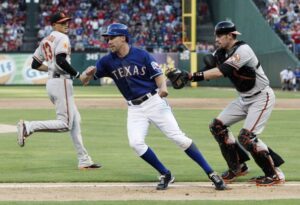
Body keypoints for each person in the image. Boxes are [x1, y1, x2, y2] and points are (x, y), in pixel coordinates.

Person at [81, 23, 226, 190]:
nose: (108, 41)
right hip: (134, 108)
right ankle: (165, 173)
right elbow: (84, 81)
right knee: (135, 143)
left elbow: (158, 75)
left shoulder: (141, 55)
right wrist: (87, 74)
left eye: (111, 37)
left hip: (154, 102)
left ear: (123, 38)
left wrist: (163, 89)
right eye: (107, 38)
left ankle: (211, 173)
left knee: (179, 138)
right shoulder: (106, 61)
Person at [167, 21, 285, 186]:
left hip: (261, 97)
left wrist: (191, 76)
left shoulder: (243, 50)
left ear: (230, 35)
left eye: (219, 36)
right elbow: (210, 69)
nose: (216, 39)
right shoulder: (221, 52)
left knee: (247, 137)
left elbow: (221, 71)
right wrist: (189, 76)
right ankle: (237, 167)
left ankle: (274, 175)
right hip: (244, 98)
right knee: (217, 126)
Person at [16, 12, 101, 170]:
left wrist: (51, 69)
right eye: (62, 23)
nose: (66, 25)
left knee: (75, 122)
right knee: (65, 124)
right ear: (54, 25)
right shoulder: (62, 38)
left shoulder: (46, 40)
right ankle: (29, 126)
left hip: (52, 81)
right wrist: (78, 75)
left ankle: (84, 159)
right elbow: (61, 60)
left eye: (67, 22)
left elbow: (35, 64)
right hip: (61, 82)